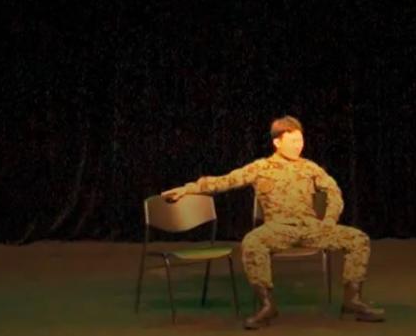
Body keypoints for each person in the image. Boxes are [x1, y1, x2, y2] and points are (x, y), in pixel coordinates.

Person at [162, 115, 385, 329]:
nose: (299, 146)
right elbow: (225, 181)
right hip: (278, 230)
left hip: (311, 228)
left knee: (358, 239)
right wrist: (188, 189)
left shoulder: (310, 167)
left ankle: (352, 300)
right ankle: (267, 305)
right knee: (252, 242)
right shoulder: (261, 168)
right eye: (293, 141)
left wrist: (329, 220)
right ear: (277, 142)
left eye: (300, 140)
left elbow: (334, 192)